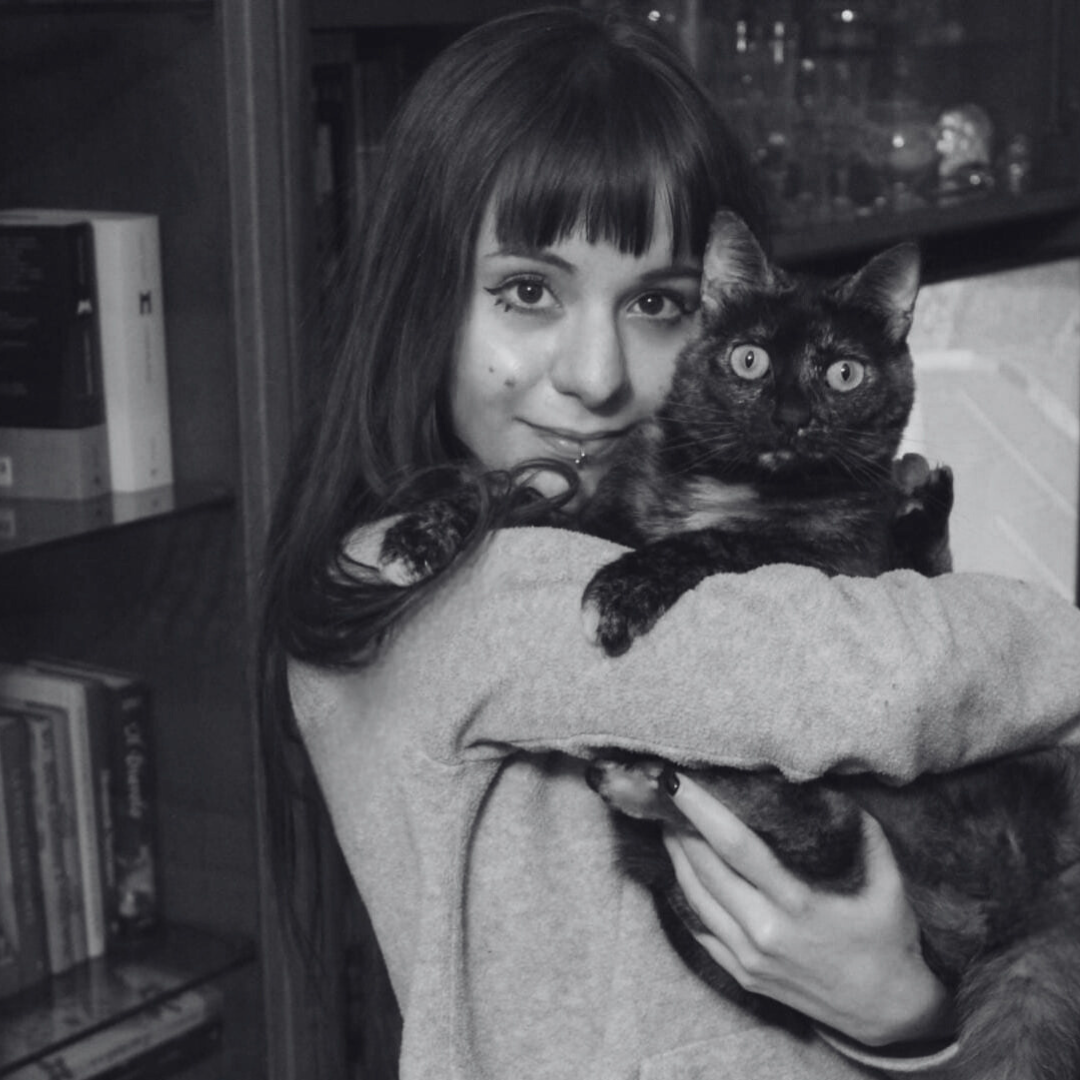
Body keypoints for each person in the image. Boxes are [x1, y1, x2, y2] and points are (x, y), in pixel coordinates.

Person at [258, 7, 1080, 1079]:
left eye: (656, 302)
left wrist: (906, 1019)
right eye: (527, 291)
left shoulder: (629, 517)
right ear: (421, 296)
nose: (595, 375)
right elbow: (891, 681)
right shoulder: (417, 582)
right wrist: (1036, 633)